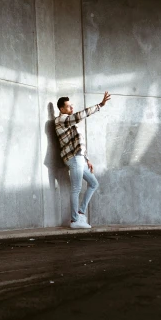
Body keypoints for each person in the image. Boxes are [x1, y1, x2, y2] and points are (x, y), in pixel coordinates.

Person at [55, 91, 111, 229]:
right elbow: (80, 115)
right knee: (76, 188)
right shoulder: (61, 120)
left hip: (79, 158)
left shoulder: (69, 122)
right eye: (68, 107)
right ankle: (74, 220)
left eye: (71, 106)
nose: (71, 108)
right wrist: (100, 105)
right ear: (61, 109)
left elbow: (77, 143)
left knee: (93, 183)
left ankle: (80, 212)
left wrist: (87, 159)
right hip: (74, 159)